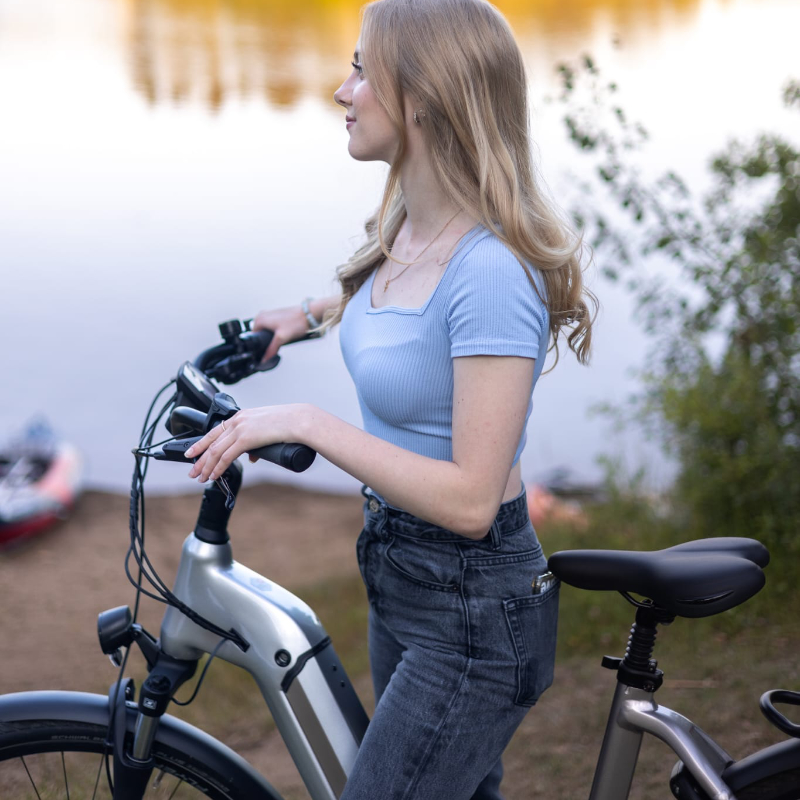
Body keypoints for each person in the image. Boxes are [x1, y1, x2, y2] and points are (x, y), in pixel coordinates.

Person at [186, 0, 595, 796]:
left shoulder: (491, 273)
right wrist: (303, 318)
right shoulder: (406, 226)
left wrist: (307, 422)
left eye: (362, 70)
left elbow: (473, 500)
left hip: (472, 612)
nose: (343, 92)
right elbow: (406, 312)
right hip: (400, 575)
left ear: (423, 96)